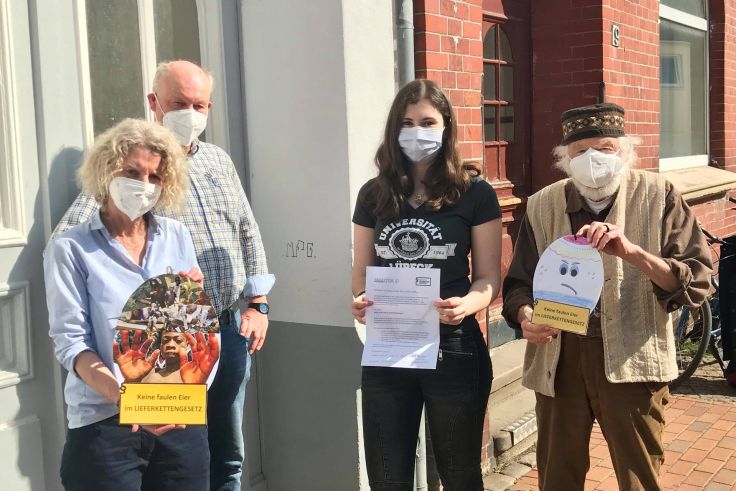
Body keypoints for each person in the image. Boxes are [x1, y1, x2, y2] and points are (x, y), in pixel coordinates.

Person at [52, 59, 275, 490]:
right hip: (159, 351)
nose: (190, 113)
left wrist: (258, 303)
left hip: (227, 331)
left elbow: (248, 230)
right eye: (179, 103)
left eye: (199, 105)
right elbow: (79, 237)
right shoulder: (131, 166)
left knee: (224, 452)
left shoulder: (219, 161)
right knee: (175, 447)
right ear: (154, 102)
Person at [502, 103, 712, 490]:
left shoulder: (659, 194)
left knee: (639, 476)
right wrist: (525, 317)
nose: (593, 159)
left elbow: (696, 280)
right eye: (581, 151)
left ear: (625, 151)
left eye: (605, 148)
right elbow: (518, 284)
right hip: (560, 357)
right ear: (565, 158)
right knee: (557, 475)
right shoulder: (542, 203)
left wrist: (633, 253)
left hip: (633, 355)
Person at [351, 79, 503, 490]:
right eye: (406, 122)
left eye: (427, 122)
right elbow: (361, 272)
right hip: (389, 346)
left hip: (453, 345)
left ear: (446, 126)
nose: (416, 131)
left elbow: (489, 277)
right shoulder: (373, 195)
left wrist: (467, 305)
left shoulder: (474, 194)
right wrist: (360, 300)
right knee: (387, 477)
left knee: (459, 475)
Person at [44, 118, 208, 489]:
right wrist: (128, 401)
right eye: (132, 172)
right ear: (106, 171)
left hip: (178, 416)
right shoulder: (70, 248)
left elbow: (192, 333)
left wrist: (195, 304)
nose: (143, 184)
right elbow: (72, 344)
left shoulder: (177, 236)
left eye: (155, 176)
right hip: (105, 423)